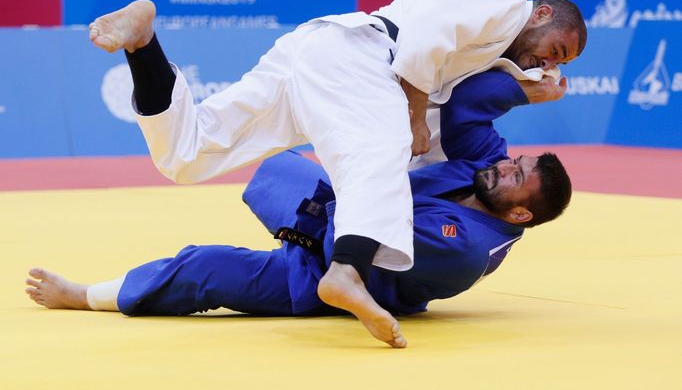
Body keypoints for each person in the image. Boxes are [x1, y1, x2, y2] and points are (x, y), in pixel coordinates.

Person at [87, 0, 585, 347]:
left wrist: (523, 88)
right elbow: (426, 40)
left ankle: (143, 45)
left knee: (187, 154)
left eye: (559, 64)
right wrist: (412, 116)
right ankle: (346, 270)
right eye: (556, 49)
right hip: (361, 58)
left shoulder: (498, 50)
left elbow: (466, 105)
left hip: (319, 57)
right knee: (384, 149)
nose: (549, 64)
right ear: (541, 15)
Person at [26, 69, 572, 348]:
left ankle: (88, 296)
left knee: (204, 266)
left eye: (515, 176)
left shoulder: (465, 249)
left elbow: (356, 244)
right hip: (342, 221)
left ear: (520, 215)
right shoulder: (484, 169)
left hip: (327, 278)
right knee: (277, 158)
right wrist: (523, 91)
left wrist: (324, 202)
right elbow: (472, 106)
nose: (505, 166)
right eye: (514, 162)